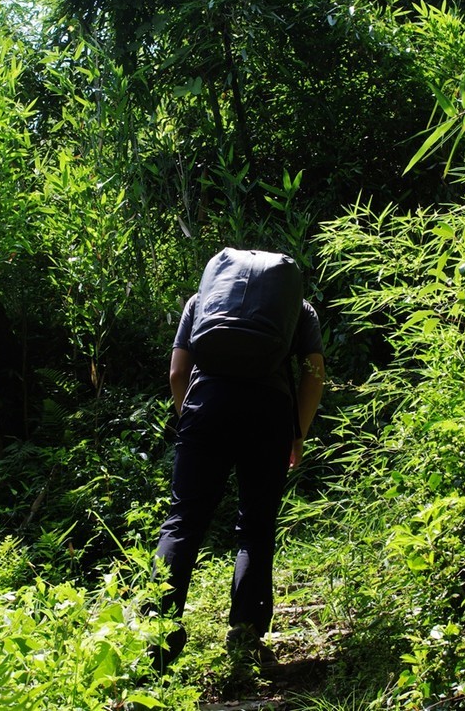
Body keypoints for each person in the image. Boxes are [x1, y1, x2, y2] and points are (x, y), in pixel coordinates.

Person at [148, 251, 325, 672]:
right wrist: (296, 432)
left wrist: (190, 420)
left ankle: (154, 639)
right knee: (256, 526)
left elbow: (177, 373)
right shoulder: (298, 308)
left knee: (183, 521)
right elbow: (313, 372)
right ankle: (245, 638)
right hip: (270, 412)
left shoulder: (200, 302)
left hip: (206, 404)